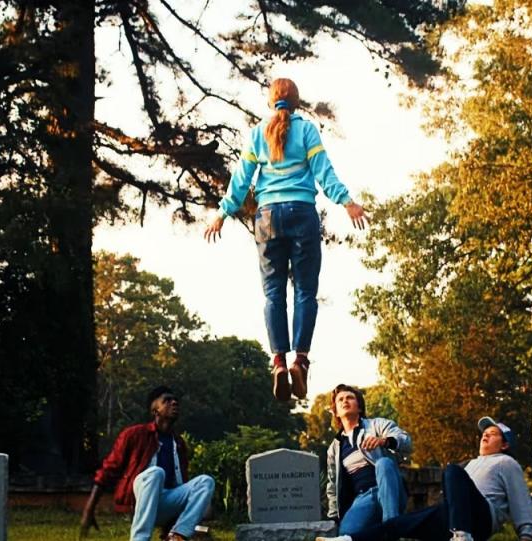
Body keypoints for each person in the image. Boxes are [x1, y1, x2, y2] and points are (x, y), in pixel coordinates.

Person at [203, 77, 368, 401]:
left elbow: (240, 181)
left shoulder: (257, 134)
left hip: (267, 219)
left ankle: (278, 361)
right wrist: (347, 202)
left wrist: (222, 213)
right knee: (305, 291)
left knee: (273, 294)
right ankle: (301, 362)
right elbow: (324, 172)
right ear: (296, 102)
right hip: (302, 214)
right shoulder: (306, 130)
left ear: (271, 102)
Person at [319, 416, 532, 541]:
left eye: (493, 433)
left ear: (505, 444)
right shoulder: (471, 463)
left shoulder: (506, 463)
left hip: (481, 518)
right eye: (484, 433)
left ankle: (461, 535)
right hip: (454, 516)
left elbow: (521, 500)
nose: (485, 435)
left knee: (451, 470)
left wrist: (526, 535)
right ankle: (347, 540)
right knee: (397, 524)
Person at [79, 386, 215, 541]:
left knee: (205, 481)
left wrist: (197, 508)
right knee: (156, 473)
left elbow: (181, 484)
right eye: (167, 401)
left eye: (176, 400)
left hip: (165, 502)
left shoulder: (178, 443)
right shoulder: (134, 434)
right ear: (155, 410)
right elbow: (108, 470)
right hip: (140, 498)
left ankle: (178, 535)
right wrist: (89, 509)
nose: (174, 403)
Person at [327, 384, 413, 536]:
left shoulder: (377, 425)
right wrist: (334, 517)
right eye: (340, 399)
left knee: (384, 463)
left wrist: (384, 441)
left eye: (350, 398)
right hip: (363, 497)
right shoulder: (334, 448)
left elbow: (406, 441)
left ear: (359, 407)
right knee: (346, 535)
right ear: (336, 413)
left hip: (390, 487)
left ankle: (391, 528)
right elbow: (333, 485)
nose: (345, 401)